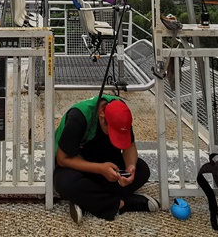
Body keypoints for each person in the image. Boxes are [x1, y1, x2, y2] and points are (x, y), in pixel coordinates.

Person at [54, 94, 158, 223]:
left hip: (104, 160)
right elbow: (62, 159)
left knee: (142, 170)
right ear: (102, 116)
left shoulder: (122, 113)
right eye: (112, 131)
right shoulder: (78, 117)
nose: (116, 137)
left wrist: (131, 167)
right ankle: (122, 204)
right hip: (76, 164)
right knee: (64, 182)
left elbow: (130, 146)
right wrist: (100, 169)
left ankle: (86, 200)